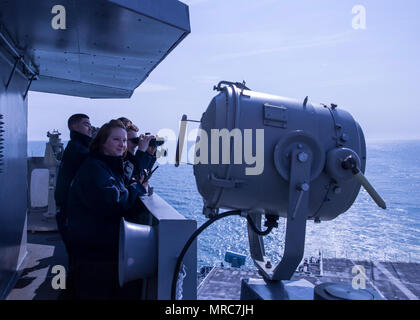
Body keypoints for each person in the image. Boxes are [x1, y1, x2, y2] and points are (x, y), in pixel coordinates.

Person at [66, 119, 147, 299]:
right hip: (93, 251)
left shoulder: (107, 165)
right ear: (102, 142)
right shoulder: (95, 167)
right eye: (116, 140)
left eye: (125, 140)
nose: (122, 145)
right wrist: (136, 188)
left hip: (98, 245)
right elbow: (113, 201)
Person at [54, 113, 92, 290]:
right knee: (77, 258)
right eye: (85, 124)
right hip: (70, 213)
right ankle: (69, 291)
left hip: (66, 210)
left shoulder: (75, 147)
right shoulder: (79, 150)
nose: (89, 127)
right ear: (74, 127)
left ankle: (69, 288)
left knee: (74, 257)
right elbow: (99, 162)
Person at [117, 117, 157, 185]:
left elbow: (142, 176)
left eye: (137, 140)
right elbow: (131, 179)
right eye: (134, 141)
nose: (136, 145)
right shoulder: (119, 161)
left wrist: (150, 154)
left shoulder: (131, 159)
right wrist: (141, 152)